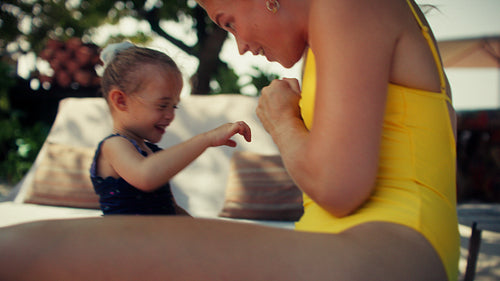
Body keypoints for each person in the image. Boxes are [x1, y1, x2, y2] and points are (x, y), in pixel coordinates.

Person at [0, 1, 459, 280]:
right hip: (348, 240)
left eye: (229, 21)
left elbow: (339, 188)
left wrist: (281, 121)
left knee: (20, 255)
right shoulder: (333, 31)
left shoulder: (347, 4)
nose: (239, 47)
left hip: (390, 246)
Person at [91, 42, 252, 215]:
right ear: (121, 101)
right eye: (162, 105)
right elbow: (145, 176)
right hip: (122, 240)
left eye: (174, 107)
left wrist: (202, 231)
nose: (170, 115)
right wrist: (206, 139)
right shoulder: (114, 146)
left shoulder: (152, 153)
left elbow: (169, 209)